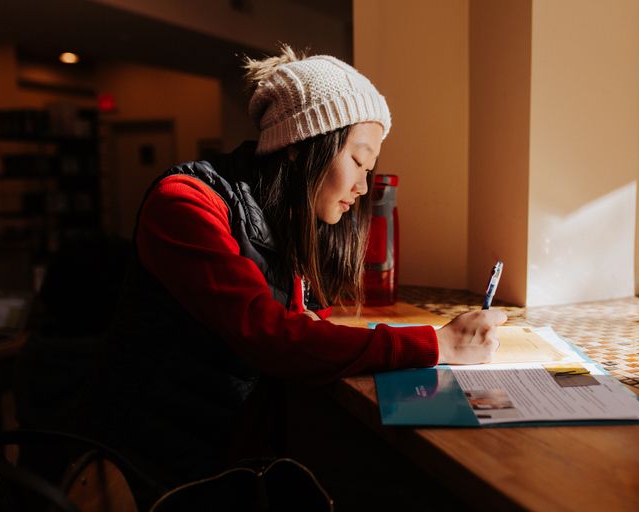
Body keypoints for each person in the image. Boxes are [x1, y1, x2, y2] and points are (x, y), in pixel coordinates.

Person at [56, 46, 507, 488]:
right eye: (356, 161)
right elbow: (269, 336)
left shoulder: (284, 222)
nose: (362, 186)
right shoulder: (185, 202)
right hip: (139, 471)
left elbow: (296, 325)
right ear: (298, 146)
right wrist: (437, 344)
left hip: (222, 460)